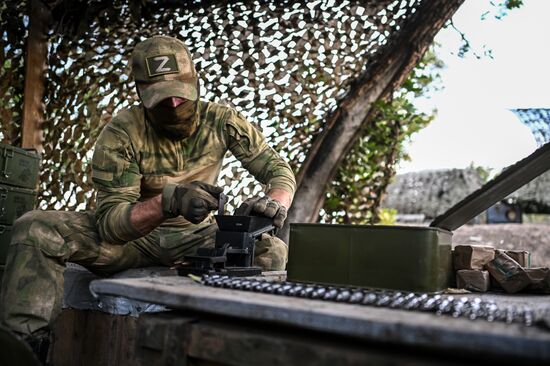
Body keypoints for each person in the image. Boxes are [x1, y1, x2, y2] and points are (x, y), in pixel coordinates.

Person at [0, 35, 295, 352]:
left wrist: (272, 204)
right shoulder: (122, 132)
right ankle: (24, 349)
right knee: (36, 228)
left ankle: (231, 351)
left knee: (271, 252)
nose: (172, 104)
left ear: (195, 80)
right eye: (160, 97)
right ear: (141, 93)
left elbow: (278, 170)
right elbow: (112, 224)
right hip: (131, 242)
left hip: (199, 240)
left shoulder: (222, 121)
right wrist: (171, 200)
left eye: (180, 94)